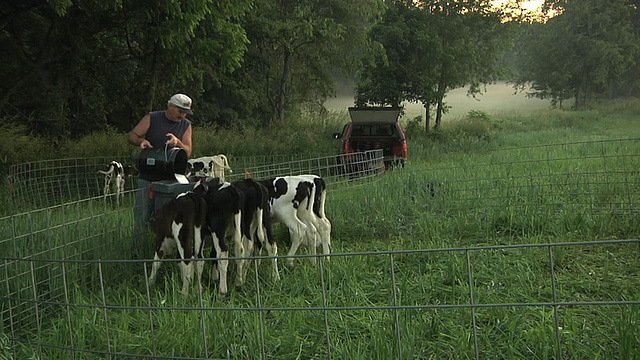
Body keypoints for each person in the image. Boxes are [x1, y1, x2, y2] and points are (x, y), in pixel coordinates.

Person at [127, 93, 194, 257]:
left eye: (185, 112)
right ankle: (138, 253)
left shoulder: (186, 125)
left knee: (168, 218)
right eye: (180, 111)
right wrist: (140, 142)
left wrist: (177, 142)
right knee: (142, 217)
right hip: (148, 176)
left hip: (171, 179)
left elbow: (188, 151)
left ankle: (165, 252)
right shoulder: (152, 118)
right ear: (170, 106)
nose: (183, 115)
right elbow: (132, 135)